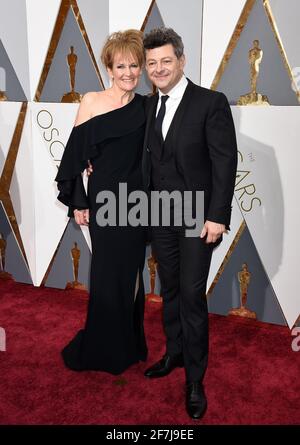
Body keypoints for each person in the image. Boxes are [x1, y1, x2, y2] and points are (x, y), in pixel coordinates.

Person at [142, 28, 237, 419]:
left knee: (192, 295)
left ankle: (195, 379)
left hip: (198, 216)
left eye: (166, 61)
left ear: (182, 61)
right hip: (159, 214)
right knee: (171, 290)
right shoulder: (147, 106)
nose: (159, 69)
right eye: (152, 63)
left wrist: (217, 215)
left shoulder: (210, 103)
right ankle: (175, 353)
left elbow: (224, 161)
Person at [55, 29, 148, 375]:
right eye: (121, 66)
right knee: (108, 272)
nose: (128, 73)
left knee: (132, 272)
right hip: (105, 200)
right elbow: (74, 157)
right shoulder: (92, 101)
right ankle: (104, 345)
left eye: (134, 65)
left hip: (138, 203)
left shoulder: (147, 106)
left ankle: (129, 342)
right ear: (109, 68)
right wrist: (79, 202)